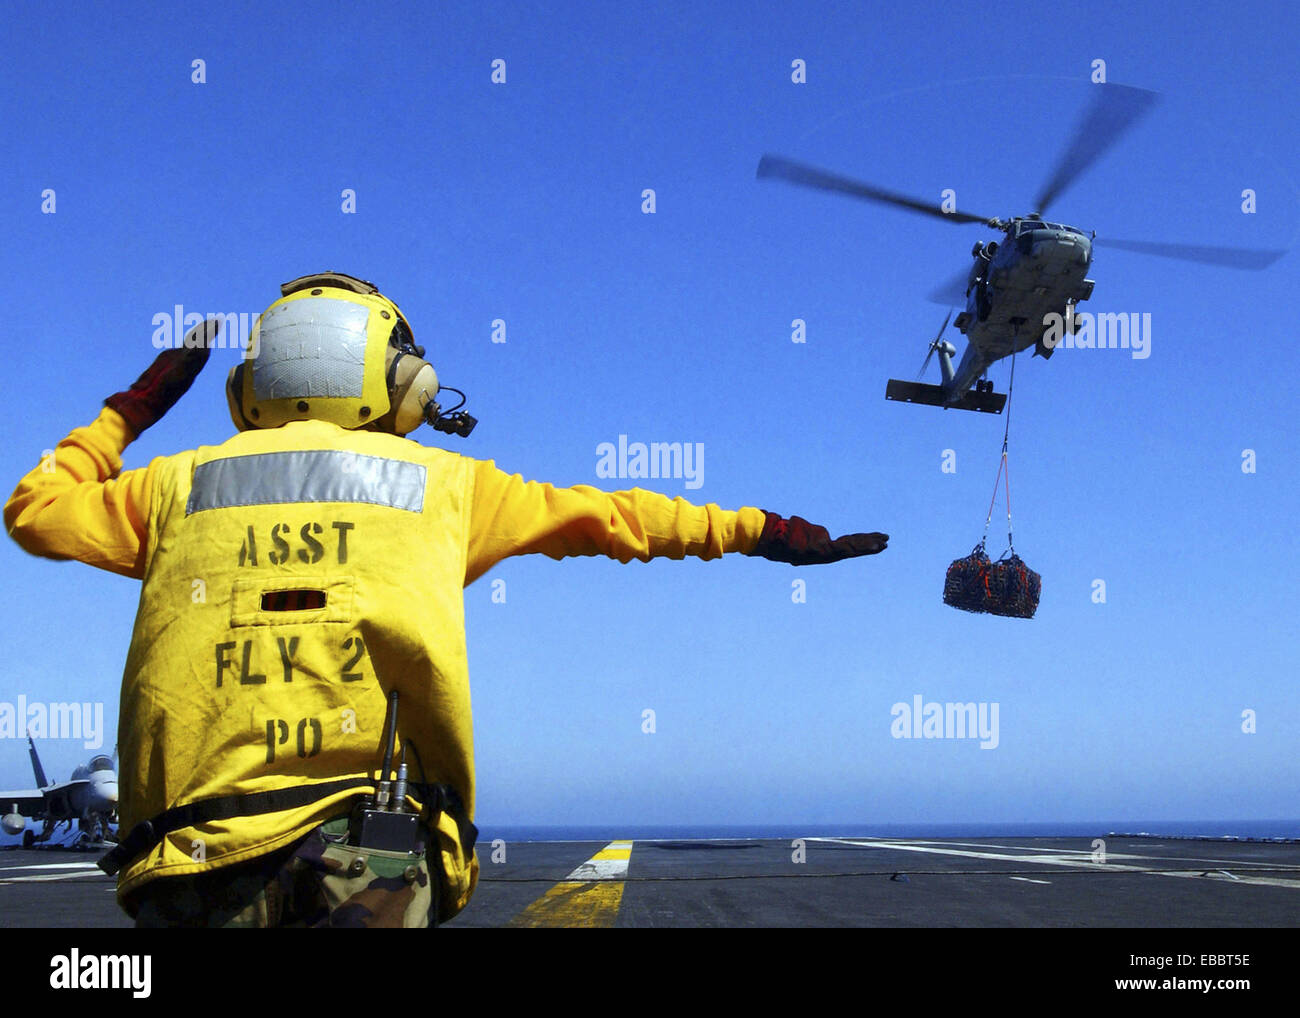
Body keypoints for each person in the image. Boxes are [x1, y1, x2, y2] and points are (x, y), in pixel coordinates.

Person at [5, 272, 889, 927]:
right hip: (372, 855)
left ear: (250, 390)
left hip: (188, 863)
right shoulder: (448, 487)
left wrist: (130, 409)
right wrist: (765, 531)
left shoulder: (173, 487)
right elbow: (623, 518)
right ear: (395, 382)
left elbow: (32, 512)